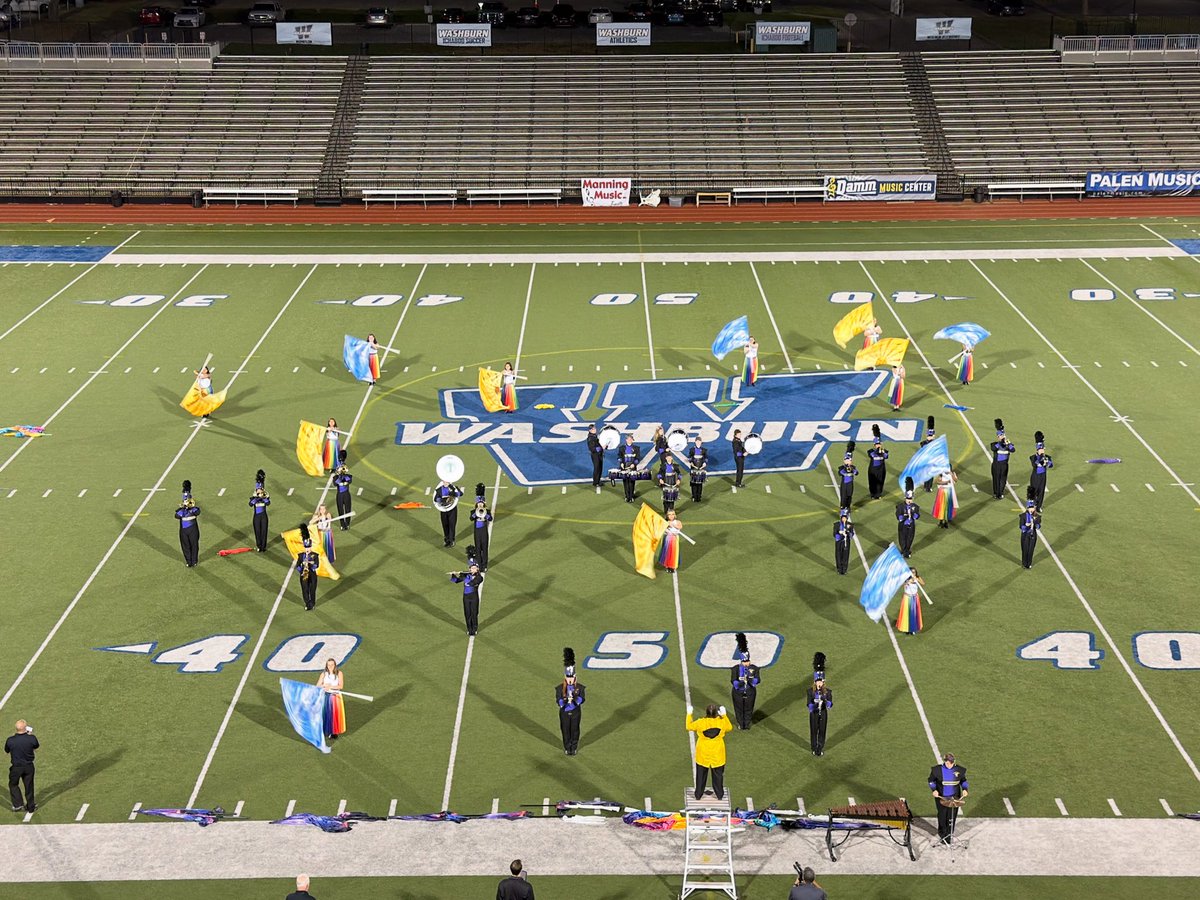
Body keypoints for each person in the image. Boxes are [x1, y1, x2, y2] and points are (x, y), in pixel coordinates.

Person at [686, 703, 731, 801]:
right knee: (718, 775)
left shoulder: (700, 722)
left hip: (703, 752)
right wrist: (724, 715)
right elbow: (729, 727)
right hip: (717, 752)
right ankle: (719, 794)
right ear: (716, 713)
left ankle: (698, 794)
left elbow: (689, 726)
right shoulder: (721, 722)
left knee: (701, 775)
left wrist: (689, 714)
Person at [929, 751, 969, 844]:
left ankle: (949, 834)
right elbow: (931, 781)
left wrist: (965, 789)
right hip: (942, 797)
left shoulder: (959, 770)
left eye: (951, 763)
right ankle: (942, 833)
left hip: (955, 797)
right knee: (942, 815)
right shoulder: (937, 770)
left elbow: (963, 781)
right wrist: (934, 790)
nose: (950, 765)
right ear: (945, 762)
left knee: (952, 816)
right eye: (948, 763)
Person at [556, 648, 585, 756]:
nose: (570, 681)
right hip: (564, 713)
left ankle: (574, 747)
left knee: (575, 730)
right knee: (565, 730)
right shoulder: (560, 688)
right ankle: (567, 747)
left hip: (576, 712)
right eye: (568, 679)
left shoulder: (580, 687)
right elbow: (558, 700)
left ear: (575, 678)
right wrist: (564, 701)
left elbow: (582, 698)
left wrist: (574, 700)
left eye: (572, 678)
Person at [5, 719, 37, 814]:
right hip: (28, 766)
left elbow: (6, 750)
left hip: (16, 767)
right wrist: (29, 736)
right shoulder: (32, 738)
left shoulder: (10, 740)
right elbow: (36, 746)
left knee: (13, 784)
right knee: (29, 786)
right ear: (25, 728)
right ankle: (31, 806)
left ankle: (18, 804)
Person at [729, 633, 760, 731]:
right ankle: (740, 723)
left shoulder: (754, 668)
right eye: (744, 662)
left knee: (749, 709)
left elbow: (757, 679)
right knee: (738, 709)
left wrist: (750, 681)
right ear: (741, 661)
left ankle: (746, 724)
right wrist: (741, 683)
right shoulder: (735, 668)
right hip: (738, 692)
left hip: (750, 692)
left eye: (747, 661)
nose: (747, 664)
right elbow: (733, 681)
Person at [807, 654, 832, 757]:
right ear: (815, 682)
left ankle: (820, 748)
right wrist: (813, 704)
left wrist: (826, 701)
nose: (819, 684)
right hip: (814, 714)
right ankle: (813, 747)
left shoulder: (828, 692)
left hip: (823, 713)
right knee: (814, 731)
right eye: (818, 681)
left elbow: (830, 704)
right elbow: (808, 703)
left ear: (823, 682)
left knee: (822, 731)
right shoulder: (810, 691)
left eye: (821, 682)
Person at [451, 562, 484, 636]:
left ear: (477, 569)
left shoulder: (479, 577)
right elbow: (456, 581)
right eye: (472, 568)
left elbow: (472, 583)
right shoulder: (466, 575)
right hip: (466, 597)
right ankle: (469, 629)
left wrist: (464, 576)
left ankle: (474, 629)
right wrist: (454, 574)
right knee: (467, 613)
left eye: (475, 568)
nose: (473, 569)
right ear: (469, 569)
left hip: (474, 597)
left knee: (474, 613)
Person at [317, 658, 346, 742]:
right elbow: (317, 685)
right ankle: (325, 730)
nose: (330, 666)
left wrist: (330, 687)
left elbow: (340, 686)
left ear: (335, 665)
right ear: (326, 665)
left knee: (334, 714)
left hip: (335, 696)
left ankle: (334, 732)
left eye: (332, 665)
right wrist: (324, 686)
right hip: (326, 696)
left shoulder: (339, 673)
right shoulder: (323, 674)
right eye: (328, 665)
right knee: (326, 713)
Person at [175, 480, 201, 567]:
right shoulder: (181, 511)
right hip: (184, 530)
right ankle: (188, 561)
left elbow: (197, 512)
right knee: (185, 546)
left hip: (193, 529)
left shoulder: (194, 509)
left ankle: (194, 561)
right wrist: (183, 509)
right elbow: (176, 516)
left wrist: (190, 508)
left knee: (194, 545)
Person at [295, 524, 319, 611]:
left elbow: (317, 565)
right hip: (304, 574)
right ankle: (307, 604)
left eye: (309, 547)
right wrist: (302, 567)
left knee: (312, 589)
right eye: (306, 547)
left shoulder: (315, 555)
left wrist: (310, 565)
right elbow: (297, 565)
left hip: (312, 574)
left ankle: (312, 603)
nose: (307, 549)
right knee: (305, 590)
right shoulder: (301, 555)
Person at [990, 419, 1015, 500]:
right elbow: (993, 448)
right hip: (996, 464)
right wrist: (1000, 443)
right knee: (996, 478)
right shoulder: (995, 444)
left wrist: (1008, 445)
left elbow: (1013, 450)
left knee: (1003, 479)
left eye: (1003, 435)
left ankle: (1000, 493)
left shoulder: (1008, 444)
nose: (1002, 437)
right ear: (998, 437)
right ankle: (995, 493)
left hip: (1004, 465)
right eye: (1001, 436)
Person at [434, 480, 463, 547]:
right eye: (444, 481)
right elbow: (435, 499)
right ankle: (446, 539)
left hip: (452, 509)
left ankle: (451, 540)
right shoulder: (439, 489)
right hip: (443, 509)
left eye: (447, 482)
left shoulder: (453, 488)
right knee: (445, 524)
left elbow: (460, 494)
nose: (445, 483)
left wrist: (454, 493)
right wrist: (441, 500)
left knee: (452, 524)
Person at [895, 568, 925, 635]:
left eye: (914, 572)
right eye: (912, 572)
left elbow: (923, 583)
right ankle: (906, 629)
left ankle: (912, 629)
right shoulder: (906, 579)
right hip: (907, 598)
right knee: (906, 613)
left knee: (914, 614)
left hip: (915, 598)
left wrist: (917, 580)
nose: (913, 573)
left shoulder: (917, 578)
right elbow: (902, 585)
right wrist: (907, 582)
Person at [1029, 430, 1053, 511]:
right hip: (1035, 476)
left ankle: (1039, 507)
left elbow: (1051, 465)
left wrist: (1047, 462)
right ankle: (1032, 506)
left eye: (1043, 449)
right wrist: (1040, 459)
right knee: (1034, 491)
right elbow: (1034, 465)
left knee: (1041, 491)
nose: (1042, 450)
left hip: (1043, 476)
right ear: (1037, 450)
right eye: (1040, 449)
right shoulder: (1033, 457)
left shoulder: (1047, 457)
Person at [896, 479, 920, 559]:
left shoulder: (915, 506)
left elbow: (917, 514)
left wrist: (916, 515)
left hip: (911, 525)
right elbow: (898, 514)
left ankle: (907, 549)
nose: (909, 501)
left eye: (910, 499)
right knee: (902, 538)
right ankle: (904, 551)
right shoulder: (900, 506)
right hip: (903, 525)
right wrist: (901, 517)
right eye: (908, 499)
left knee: (910, 538)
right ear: (905, 499)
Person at [469, 496, 493, 570]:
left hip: (484, 532)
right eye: (479, 503)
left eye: (481, 503)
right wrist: (475, 514)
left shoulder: (487, 511)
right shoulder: (473, 511)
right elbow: (471, 518)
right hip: (477, 532)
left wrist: (486, 515)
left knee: (485, 549)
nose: (480, 504)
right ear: (476, 503)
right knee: (478, 549)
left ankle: (484, 565)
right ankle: (479, 565)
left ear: (484, 504)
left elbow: (490, 519)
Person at [1019, 489, 1041, 569]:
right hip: (1025, 534)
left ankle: (1029, 563)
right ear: (1027, 508)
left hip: (1033, 535)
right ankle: (1024, 563)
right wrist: (1027, 525)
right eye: (1030, 508)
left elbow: (1038, 526)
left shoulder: (1037, 516)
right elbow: (1021, 526)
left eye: (1033, 508)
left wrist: (1036, 524)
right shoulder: (1023, 516)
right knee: (1025, 549)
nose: (1031, 510)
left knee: (1031, 549)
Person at [250, 469, 270, 553]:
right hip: (256, 517)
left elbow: (268, 503)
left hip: (264, 516)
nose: (259, 491)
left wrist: (263, 498)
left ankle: (263, 547)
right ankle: (259, 546)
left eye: (260, 489)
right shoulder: (253, 498)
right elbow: (251, 504)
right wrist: (257, 498)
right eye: (258, 490)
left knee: (264, 531)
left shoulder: (265, 497)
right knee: (257, 531)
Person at [658, 509, 683, 574]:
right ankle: (668, 566)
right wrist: (666, 527)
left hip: (675, 539)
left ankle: (672, 566)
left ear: (675, 515)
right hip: (667, 539)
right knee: (667, 552)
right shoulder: (665, 522)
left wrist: (672, 525)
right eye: (669, 514)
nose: (671, 516)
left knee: (674, 553)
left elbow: (680, 527)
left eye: (672, 514)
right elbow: (662, 529)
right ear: (667, 516)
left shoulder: (678, 522)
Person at [866, 425, 888, 500]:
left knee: (880, 481)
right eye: (876, 444)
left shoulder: (884, 451)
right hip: (873, 469)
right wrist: (877, 451)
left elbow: (886, 456)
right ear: (874, 445)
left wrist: (882, 451)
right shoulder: (871, 451)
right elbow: (871, 455)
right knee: (872, 482)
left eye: (879, 444)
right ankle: (873, 494)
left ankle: (878, 494)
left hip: (881, 469)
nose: (878, 445)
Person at [333, 450, 353, 530]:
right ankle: (342, 524)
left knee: (348, 510)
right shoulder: (336, 478)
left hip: (346, 494)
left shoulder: (348, 476)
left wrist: (343, 473)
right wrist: (339, 475)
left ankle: (347, 524)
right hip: (339, 495)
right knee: (340, 510)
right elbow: (335, 483)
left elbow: (349, 481)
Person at [619, 434, 640, 503]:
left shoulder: (636, 448)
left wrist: (634, 464)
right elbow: (619, 457)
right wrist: (621, 463)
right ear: (626, 440)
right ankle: (627, 496)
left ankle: (631, 496)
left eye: (631, 439)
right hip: (624, 467)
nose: (630, 440)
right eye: (628, 439)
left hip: (632, 468)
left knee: (632, 482)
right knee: (625, 482)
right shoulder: (621, 448)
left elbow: (637, 458)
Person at [686, 436, 708, 502]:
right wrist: (691, 463)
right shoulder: (692, 450)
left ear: (701, 442)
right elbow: (689, 457)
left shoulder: (704, 450)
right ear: (695, 442)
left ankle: (699, 496)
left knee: (700, 483)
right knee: (693, 483)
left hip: (701, 468)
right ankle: (694, 496)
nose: (698, 442)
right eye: (697, 441)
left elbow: (706, 458)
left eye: (699, 441)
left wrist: (704, 463)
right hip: (694, 468)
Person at [832, 508, 854, 575]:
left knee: (846, 555)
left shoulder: (850, 525)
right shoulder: (836, 524)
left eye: (845, 518)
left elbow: (852, 534)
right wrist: (839, 533)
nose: (844, 519)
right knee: (838, 555)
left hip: (846, 542)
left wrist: (847, 533)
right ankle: (839, 569)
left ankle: (844, 569)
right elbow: (834, 534)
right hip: (839, 542)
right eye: (843, 518)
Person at [836, 443, 857, 509]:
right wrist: (845, 469)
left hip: (850, 484)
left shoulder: (853, 467)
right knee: (843, 496)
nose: (848, 462)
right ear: (844, 461)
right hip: (844, 484)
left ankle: (848, 506)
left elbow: (856, 473)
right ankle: (842, 506)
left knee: (849, 495)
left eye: (849, 460)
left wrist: (852, 469)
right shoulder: (842, 467)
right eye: (846, 460)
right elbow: (840, 473)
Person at [586, 424, 604, 491]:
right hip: (595, 455)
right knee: (596, 468)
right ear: (590, 430)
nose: (595, 430)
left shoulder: (594, 436)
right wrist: (601, 448)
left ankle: (598, 481)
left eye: (595, 428)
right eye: (593, 429)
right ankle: (595, 482)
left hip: (599, 454)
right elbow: (592, 449)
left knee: (600, 467)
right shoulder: (590, 438)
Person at [920, 416, 936, 492]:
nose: (930, 437)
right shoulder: (924, 443)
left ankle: (928, 487)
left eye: (931, 436)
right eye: (929, 436)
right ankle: (926, 486)